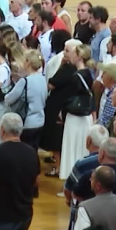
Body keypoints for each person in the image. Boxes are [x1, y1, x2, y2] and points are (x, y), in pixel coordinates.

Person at [49, 40, 94, 178]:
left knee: (72, 147)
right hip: (85, 116)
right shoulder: (88, 73)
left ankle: (70, 176)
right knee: (81, 147)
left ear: (79, 56)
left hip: (74, 116)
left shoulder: (76, 76)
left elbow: (67, 96)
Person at [6, 50, 47, 148]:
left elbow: (8, 99)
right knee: (33, 150)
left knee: (23, 150)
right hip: (40, 121)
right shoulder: (43, 78)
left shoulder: (24, 81)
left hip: (27, 123)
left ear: (28, 62)